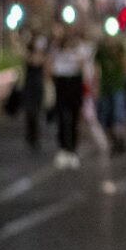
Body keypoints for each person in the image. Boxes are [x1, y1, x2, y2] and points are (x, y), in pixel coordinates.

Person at [48, 27, 91, 169]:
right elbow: (50, 66)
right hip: (61, 83)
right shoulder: (56, 50)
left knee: (73, 117)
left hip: (74, 83)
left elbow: (83, 66)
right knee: (62, 116)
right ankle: (62, 148)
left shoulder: (80, 49)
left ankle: (72, 149)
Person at [94, 31, 126, 155]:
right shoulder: (101, 50)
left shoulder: (120, 48)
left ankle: (120, 138)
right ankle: (113, 140)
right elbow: (96, 68)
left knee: (118, 114)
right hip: (105, 87)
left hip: (118, 86)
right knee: (105, 116)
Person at [19, 30, 49, 151]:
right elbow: (28, 61)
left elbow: (46, 68)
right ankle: (29, 136)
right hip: (29, 86)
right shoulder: (28, 54)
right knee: (29, 112)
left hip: (38, 86)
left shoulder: (44, 56)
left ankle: (35, 137)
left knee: (36, 113)